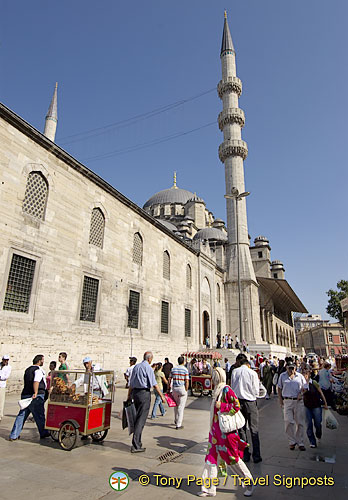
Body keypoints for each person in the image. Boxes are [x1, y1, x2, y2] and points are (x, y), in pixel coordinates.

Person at [198, 368, 255, 497]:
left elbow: (236, 406)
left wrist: (222, 406)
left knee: (233, 460)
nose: (212, 380)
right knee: (211, 460)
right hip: (215, 433)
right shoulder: (216, 391)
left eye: (214, 377)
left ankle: (249, 483)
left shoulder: (226, 390)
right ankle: (208, 488)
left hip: (226, 433)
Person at [128, 351, 166, 452]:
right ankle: (136, 445)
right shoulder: (148, 368)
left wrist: (129, 395)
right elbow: (154, 384)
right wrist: (162, 396)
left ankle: (138, 442)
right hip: (144, 394)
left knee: (137, 418)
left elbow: (131, 383)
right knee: (141, 419)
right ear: (149, 359)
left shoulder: (136, 367)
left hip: (135, 393)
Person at [9, 354, 50, 441]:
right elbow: (36, 381)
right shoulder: (38, 370)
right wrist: (35, 392)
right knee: (39, 415)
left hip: (26, 395)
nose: (43, 362)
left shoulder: (28, 370)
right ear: (39, 361)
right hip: (35, 395)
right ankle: (44, 433)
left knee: (22, 415)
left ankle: (14, 435)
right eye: (42, 360)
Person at [231, 357, 262, 463]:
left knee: (241, 429)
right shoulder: (252, 373)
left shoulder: (235, 371)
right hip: (250, 402)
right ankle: (256, 456)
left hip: (238, 402)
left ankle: (245, 454)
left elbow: (232, 387)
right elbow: (256, 391)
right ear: (248, 364)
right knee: (254, 429)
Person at [277, 362, 308, 450]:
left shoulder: (300, 376)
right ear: (286, 368)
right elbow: (279, 388)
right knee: (288, 421)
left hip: (298, 401)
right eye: (289, 368)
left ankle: (300, 441)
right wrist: (280, 400)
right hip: (287, 400)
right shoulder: (282, 376)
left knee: (300, 422)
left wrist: (301, 394)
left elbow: (305, 388)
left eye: (293, 368)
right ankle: (292, 441)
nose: (291, 370)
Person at [302, 368, 328, 448]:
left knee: (317, 423)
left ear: (309, 374)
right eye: (303, 374)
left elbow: (321, 392)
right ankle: (312, 441)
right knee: (309, 424)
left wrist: (325, 403)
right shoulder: (301, 384)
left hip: (316, 406)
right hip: (307, 406)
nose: (305, 375)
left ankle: (318, 434)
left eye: (306, 374)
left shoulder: (314, 382)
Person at [168, 356, 189, 430]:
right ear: (183, 362)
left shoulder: (173, 369)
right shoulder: (185, 370)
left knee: (176, 405)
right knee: (181, 407)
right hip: (181, 388)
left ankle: (176, 420)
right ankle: (178, 424)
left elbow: (170, 379)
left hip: (174, 388)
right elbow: (186, 381)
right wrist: (186, 389)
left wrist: (168, 388)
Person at [0, 355, 11, 422]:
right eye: (4, 360)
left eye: (7, 360)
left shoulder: (9, 367)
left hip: (2, 384)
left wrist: (0, 377)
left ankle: (0, 415)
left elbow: (6, 376)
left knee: (1, 400)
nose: (5, 361)